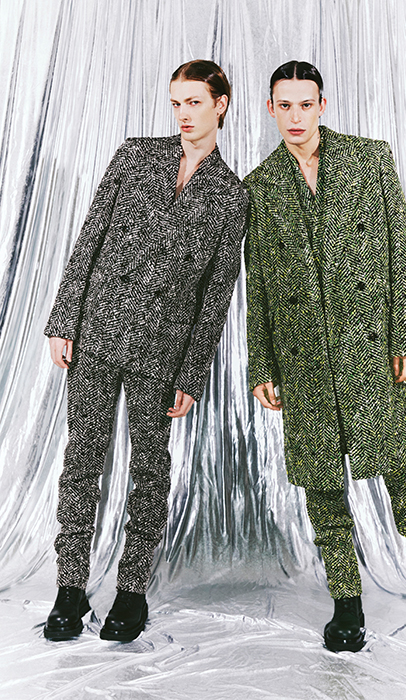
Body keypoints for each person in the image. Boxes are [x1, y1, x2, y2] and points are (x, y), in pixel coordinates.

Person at [244, 60, 406, 654]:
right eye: (285, 105)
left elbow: (402, 254)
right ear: (270, 109)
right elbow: (260, 284)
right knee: (323, 482)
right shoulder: (258, 185)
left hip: (373, 347)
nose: (296, 117)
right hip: (304, 355)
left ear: (322, 104)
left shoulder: (371, 159)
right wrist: (262, 366)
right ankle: (346, 600)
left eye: (306, 104)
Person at [43, 59, 248, 642]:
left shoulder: (232, 196)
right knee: (82, 460)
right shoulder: (135, 155)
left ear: (221, 104)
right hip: (97, 330)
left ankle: (132, 591)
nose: (183, 114)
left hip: (163, 349)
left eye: (195, 102)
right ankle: (69, 587)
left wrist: (191, 372)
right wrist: (64, 318)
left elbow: (216, 296)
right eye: (176, 103)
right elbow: (90, 236)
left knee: (150, 469)